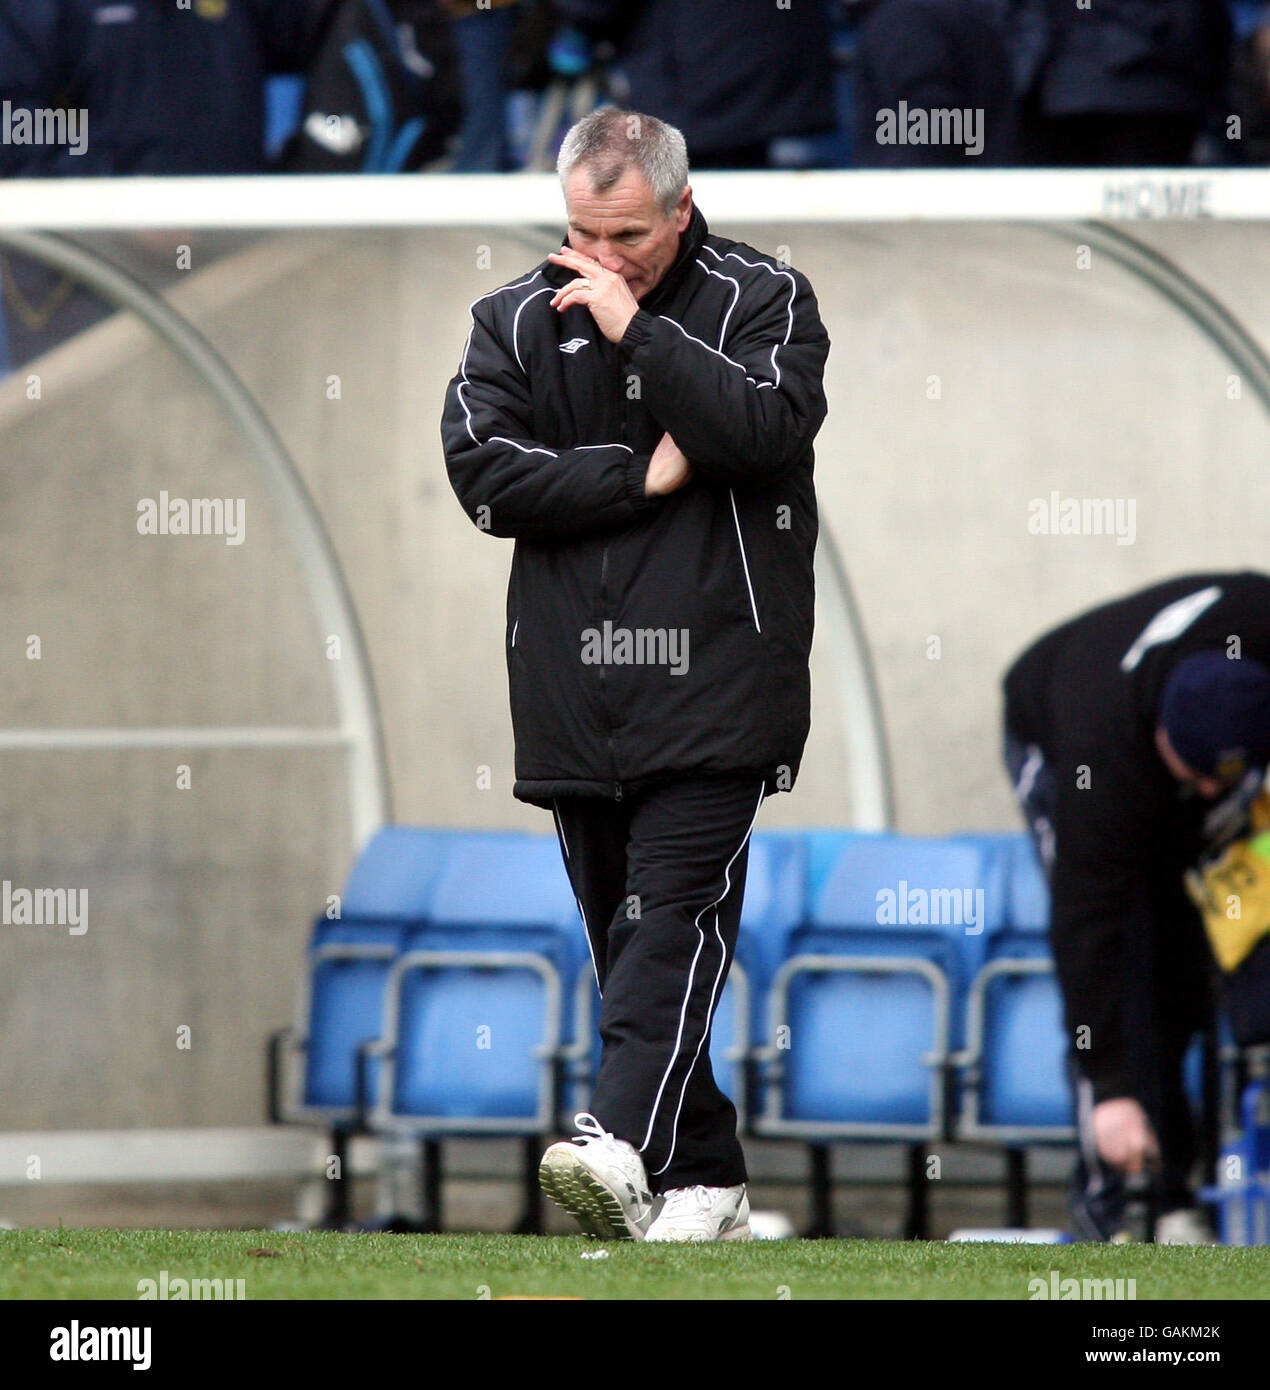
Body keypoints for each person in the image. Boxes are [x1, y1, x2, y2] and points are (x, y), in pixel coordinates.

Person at [440, 106, 830, 1241]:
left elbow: (760, 429)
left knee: (670, 920)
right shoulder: (508, 319)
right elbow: (483, 478)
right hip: (572, 695)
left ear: (683, 208)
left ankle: (615, 1143)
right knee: (626, 940)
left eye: (627, 239)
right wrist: (636, 477)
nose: (600, 261)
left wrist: (636, 332)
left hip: (723, 685)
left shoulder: (766, 300)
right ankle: (709, 1174)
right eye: (582, 236)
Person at [1002, 571, 1270, 1243]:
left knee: (1194, 955)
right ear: (1162, 740)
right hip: (1052, 717)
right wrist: (1112, 1088)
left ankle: (1188, 1182)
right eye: (1196, 778)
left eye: (1221, 783)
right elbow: (1087, 927)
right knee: (1135, 945)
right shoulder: (1103, 755)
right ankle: (1122, 1198)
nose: (1207, 792)